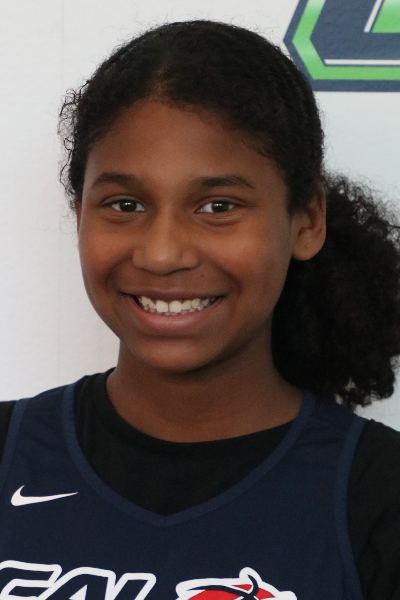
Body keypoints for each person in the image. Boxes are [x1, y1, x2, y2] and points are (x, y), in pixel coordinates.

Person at [0, 19, 399, 600]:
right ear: (79, 211)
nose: (162, 254)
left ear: (306, 220)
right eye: (125, 204)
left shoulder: (380, 495)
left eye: (218, 206)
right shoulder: (10, 452)